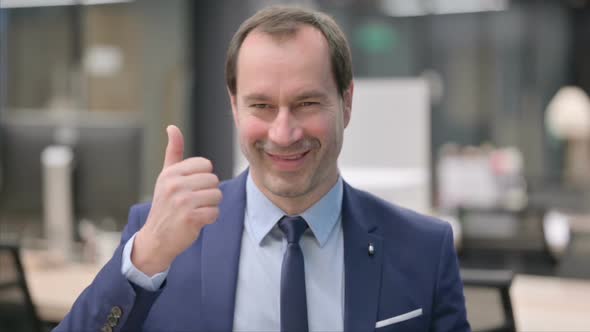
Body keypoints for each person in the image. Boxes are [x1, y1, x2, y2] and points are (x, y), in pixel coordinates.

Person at [55, 5, 470, 332]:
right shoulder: (159, 236)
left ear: (346, 103)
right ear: (234, 107)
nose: (284, 132)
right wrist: (144, 260)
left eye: (307, 103)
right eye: (262, 106)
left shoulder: (424, 249)